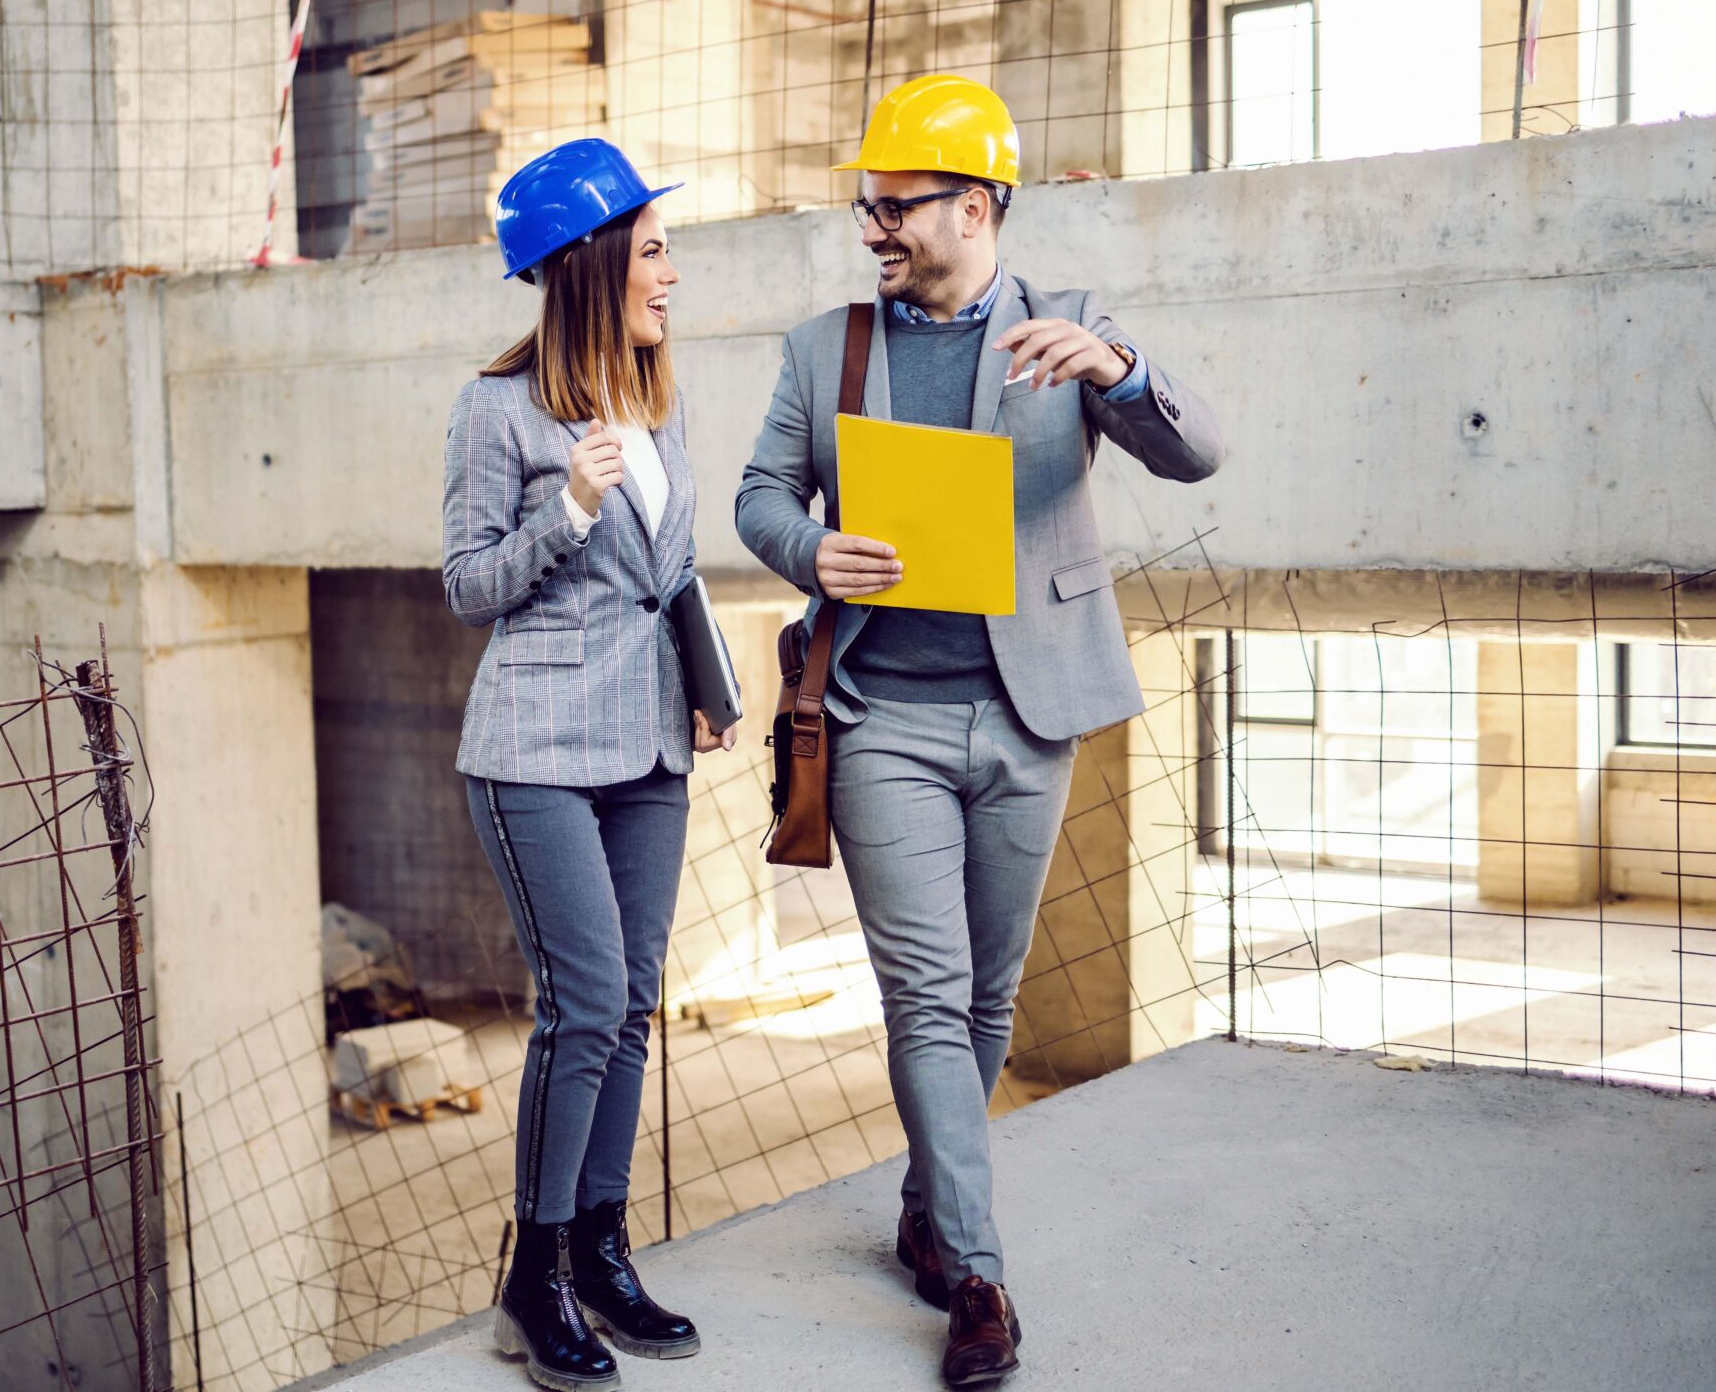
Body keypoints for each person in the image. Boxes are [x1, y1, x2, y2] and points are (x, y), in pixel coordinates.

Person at [735, 75, 1226, 1388]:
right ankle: (979, 1277)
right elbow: (759, 496)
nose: (874, 227)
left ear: (975, 205)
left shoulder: (1067, 329)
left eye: (896, 207)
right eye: (869, 206)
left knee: (987, 997)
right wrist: (813, 550)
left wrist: (1119, 373)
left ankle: (928, 1209)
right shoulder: (823, 348)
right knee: (925, 991)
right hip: (883, 713)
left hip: (1033, 711)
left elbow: (1200, 454)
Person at [444, 137, 738, 1392]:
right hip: (536, 745)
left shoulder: (663, 393)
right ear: (591, 261)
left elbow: (673, 573)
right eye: (654, 247)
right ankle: (537, 1271)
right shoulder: (496, 407)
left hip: (651, 738)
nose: (671, 270)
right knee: (581, 996)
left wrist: (713, 689)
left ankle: (604, 1253)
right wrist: (558, 513)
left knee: (629, 1004)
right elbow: (464, 587)